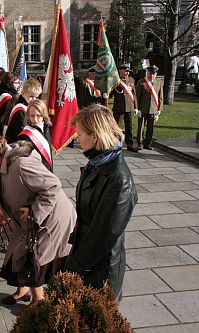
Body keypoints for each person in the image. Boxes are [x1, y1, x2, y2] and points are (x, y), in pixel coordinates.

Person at [0, 130, 76, 307]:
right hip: (26, 219)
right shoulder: (0, 166)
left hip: (50, 218)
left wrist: (34, 211)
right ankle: (22, 291)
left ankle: (38, 301)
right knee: (14, 254)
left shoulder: (21, 165)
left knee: (32, 259)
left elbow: (53, 187)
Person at [65, 104, 138, 301]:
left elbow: (104, 233)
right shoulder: (97, 163)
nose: (77, 138)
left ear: (95, 136)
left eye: (80, 134)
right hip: (87, 260)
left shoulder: (119, 179)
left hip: (100, 271)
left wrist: (74, 267)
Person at [2, 78, 42, 143]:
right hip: (16, 146)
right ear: (23, 94)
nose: (34, 100)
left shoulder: (27, 107)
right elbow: (24, 133)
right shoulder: (21, 111)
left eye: (36, 97)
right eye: (31, 96)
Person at [17, 99, 53, 172]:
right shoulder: (26, 135)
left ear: (43, 114)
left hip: (47, 168)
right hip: (37, 172)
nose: (35, 119)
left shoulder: (46, 127)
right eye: (32, 116)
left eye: (38, 116)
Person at [111, 64, 139, 152]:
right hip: (118, 108)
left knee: (129, 127)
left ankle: (130, 145)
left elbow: (134, 94)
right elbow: (111, 94)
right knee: (116, 127)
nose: (127, 73)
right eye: (125, 71)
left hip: (130, 107)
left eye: (128, 71)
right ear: (120, 71)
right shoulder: (115, 80)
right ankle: (114, 144)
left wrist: (136, 107)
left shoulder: (131, 80)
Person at [136, 65, 163, 150]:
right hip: (143, 109)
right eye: (150, 73)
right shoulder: (141, 82)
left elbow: (160, 97)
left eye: (154, 74)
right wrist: (138, 109)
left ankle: (148, 143)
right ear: (147, 73)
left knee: (150, 128)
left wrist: (159, 109)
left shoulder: (159, 82)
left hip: (153, 109)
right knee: (141, 127)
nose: (152, 76)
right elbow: (137, 97)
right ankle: (140, 143)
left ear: (156, 74)